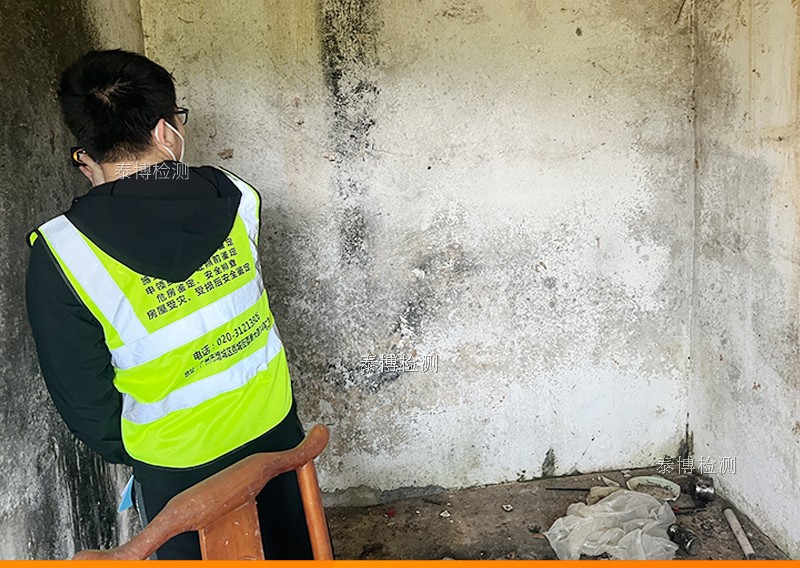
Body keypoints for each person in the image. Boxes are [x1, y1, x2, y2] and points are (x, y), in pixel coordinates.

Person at [25, 49, 314, 560]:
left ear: (86, 151)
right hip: (274, 432)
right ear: (164, 130)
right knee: (294, 551)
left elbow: (85, 402)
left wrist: (142, 450)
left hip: (177, 468)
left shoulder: (63, 252)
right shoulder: (236, 196)